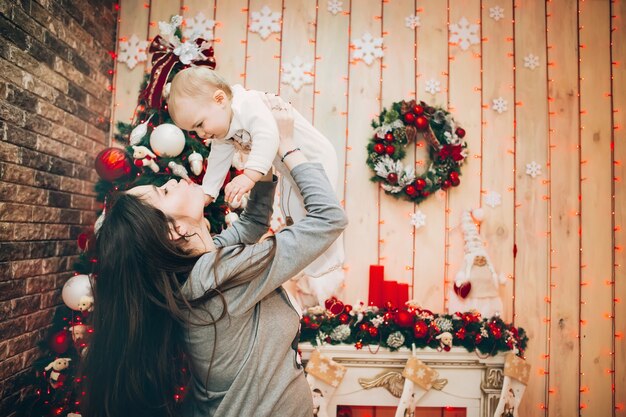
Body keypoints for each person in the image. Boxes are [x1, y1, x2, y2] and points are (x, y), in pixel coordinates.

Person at [81, 103, 348, 417]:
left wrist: (261, 168)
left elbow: (250, 227)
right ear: (175, 231)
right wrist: (288, 145)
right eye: (164, 193)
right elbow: (328, 219)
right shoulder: (221, 275)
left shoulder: (199, 267)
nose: (170, 181)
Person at [166, 67, 345, 308]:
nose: (201, 134)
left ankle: (326, 263)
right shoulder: (223, 129)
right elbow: (219, 158)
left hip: (314, 159)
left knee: (311, 214)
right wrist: (208, 192)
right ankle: (317, 264)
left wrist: (249, 175)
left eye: (200, 124)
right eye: (195, 131)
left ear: (220, 99)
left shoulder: (247, 103)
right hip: (290, 167)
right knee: (295, 214)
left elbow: (268, 134)